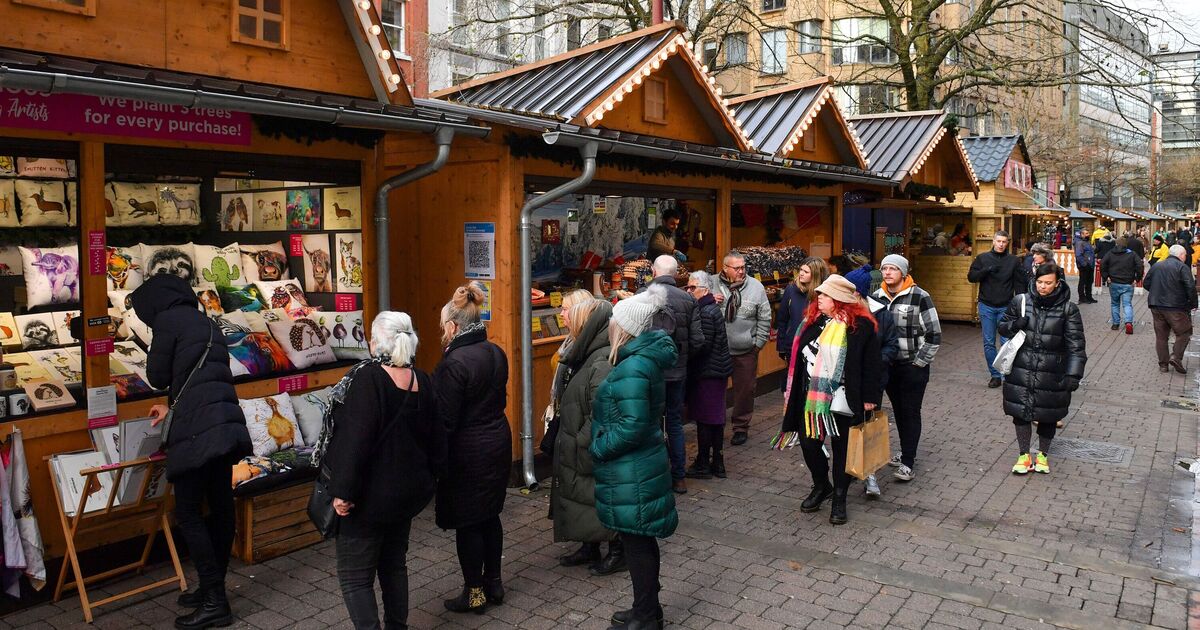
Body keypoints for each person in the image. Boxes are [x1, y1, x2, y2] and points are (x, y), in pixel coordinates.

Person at [131, 274, 252, 629]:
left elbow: (157, 376)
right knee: (220, 505)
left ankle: (215, 601)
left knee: (187, 510)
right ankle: (213, 589)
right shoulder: (206, 321)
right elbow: (199, 379)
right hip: (224, 422)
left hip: (198, 429)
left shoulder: (168, 322)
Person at [325, 312, 441, 630]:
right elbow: (437, 440)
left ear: (376, 343)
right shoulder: (423, 380)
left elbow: (354, 442)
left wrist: (342, 492)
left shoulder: (369, 380)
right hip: (406, 496)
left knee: (355, 578)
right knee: (394, 566)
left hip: (368, 500)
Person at [591, 289, 679, 630]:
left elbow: (633, 425)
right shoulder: (638, 360)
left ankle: (646, 616)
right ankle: (647, 609)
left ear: (625, 328)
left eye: (615, 321)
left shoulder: (634, 366)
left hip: (633, 468)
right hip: (639, 466)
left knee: (637, 543)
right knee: (640, 539)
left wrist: (600, 447)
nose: (611, 325)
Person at [778, 275, 881, 524]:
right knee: (809, 443)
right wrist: (788, 389)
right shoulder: (812, 322)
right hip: (811, 397)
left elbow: (872, 365)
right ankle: (822, 485)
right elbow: (797, 360)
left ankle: (839, 498)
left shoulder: (860, 326)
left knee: (842, 448)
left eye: (825, 294)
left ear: (838, 299)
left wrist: (870, 397)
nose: (819, 298)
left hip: (844, 398)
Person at [435, 282, 511, 615]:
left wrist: (435, 459)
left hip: (468, 451)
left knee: (468, 521)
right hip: (497, 441)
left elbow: (445, 419)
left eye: (444, 326)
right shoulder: (495, 352)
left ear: (453, 327)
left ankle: (474, 592)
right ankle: (494, 582)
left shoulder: (454, 363)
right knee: (490, 515)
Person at [551, 298, 624, 576]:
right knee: (583, 494)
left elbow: (602, 409)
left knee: (599, 493)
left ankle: (618, 551)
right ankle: (588, 545)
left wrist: (581, 439)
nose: (564, 317)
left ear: (584, 324)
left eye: (570, 314)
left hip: (587, 442)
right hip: (578, 439)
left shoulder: (601, 358)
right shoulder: (586, 352)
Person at [998, 262, 1086, 475]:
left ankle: (1042, 456)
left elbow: (1076, 345)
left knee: (1048, 415)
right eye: (1039, 282)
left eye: (1048, 283)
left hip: (1052, 372)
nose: (1042, 286)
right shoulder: (1021, 301)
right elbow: (1002, 327)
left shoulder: (1068, 309)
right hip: (1022, 368)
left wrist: (1074, 374)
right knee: (1020, 413)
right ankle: (1023, 455)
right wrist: (1015, 325)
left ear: (1057, 284)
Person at [872, 255, 941, 483]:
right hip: (887, 366)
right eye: (884, 268)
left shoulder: (920, 296)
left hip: (912, 366)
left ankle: (908, 462)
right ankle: (904, 451)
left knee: (910, 411)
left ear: (903, 272)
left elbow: (934, 334)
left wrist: (919, 362)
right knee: (898, 410)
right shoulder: (876, 297)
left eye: (893, 269)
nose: (887, 273)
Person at [640, 255, 703, 495]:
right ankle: (679, 477)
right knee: (675, 423)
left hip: (649, 370)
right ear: (676, 274)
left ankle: (653, 476)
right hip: (677, 372)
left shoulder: (643, 295)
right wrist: (682, 358)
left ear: (654, 272)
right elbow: (697, 339)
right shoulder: (688, 299)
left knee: (650, 422)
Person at [844, 266, 899, 498]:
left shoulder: (881, 314)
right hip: (846, 383)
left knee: (867, 426)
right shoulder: (840, 313)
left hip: (871, 381)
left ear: (857, 292)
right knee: (848, 427)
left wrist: (873, 360)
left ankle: (870, 474)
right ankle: (847, 469)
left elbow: (892, 345)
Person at [714, 251, 772, 446]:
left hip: (746, 351)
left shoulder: (756, 287)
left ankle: (740, 428)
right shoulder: (712, 283)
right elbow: (693, 303)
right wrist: (707, 299)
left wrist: (758, 344)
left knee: (745, 392)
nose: (741, 271)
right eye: (737, 268)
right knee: (715, 391)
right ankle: (715, 426)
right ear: (725, 268)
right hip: (717, 351)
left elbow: (765, 317)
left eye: (743, 267)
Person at [684, 271, 732, 480]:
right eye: (688, 287)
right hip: (715, 371)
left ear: (704, 290)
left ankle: (704, 463)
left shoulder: (705, 311)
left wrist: (685, 354)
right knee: (714, 418)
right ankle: (717, 463)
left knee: (706, 419)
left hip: (708, 373)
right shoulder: (710, 308)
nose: (689, 291)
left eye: (693, 287)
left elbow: (702, 345)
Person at [542, 290, 600, 458]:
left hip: (577, 428)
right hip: (567, 420)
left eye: (565, 309)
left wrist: (581, 438)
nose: (561, 314)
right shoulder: (570, 341)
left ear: (579, 312)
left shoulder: (585, 346)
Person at [968, 230, 1026, 388]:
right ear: (993, 241)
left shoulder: (1013, 261)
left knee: (1006, 342)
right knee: (989, 342)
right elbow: (971, 277)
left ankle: (1005, 374)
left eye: (1004, 242)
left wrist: (1020, 306)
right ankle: (995, 375)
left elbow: (1019, 284)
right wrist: (986, 270)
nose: (1001, 244)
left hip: (1006, 306)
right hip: (986, 305)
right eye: (998, 241)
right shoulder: (982, 258)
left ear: (1007, 243)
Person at [1144, 244, 1197, 374]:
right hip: (1175, 306)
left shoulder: (1157, 265)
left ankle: (1163, 365)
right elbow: (1190, 287)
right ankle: (1176, 357)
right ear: (1180, 255)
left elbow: (1146, 283)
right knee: (1184, 332)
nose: (1185, 257)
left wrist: (1157, 292)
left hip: (1156, 305)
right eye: (1185, 255)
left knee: (1161, 336)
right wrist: (1193, 304)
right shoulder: (1182, 267)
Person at [776, 257, 829, 376]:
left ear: (815, 275)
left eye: (806, 272)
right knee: (792, 380)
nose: (801, 273)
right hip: (792, 344)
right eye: (801, 270)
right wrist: (781, 346)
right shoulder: (791, 289)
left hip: (815, 347)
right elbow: (782, 319)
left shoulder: (823, 294)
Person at [1100, 237, 1143, 334]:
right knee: (1127, 304)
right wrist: (1137, 278)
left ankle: (1115, 324)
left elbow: (1102, 264)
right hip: (1128, 282)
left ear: (1116, 244)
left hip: (1114, 282)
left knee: (1115, 304)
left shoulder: (1110, 253)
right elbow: (1139, 265)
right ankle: (1128, 322)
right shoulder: (1132, 254)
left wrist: (1106, 276)